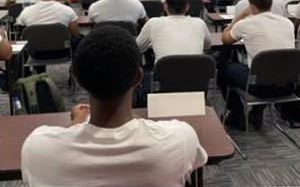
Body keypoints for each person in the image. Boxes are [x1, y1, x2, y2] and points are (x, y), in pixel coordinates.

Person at [21, 25, 207, 187]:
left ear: (79, 80)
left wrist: (77, 123)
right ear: (138, 77)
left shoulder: (37, 147)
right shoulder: (180, 138)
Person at [219, 0, 295, 130]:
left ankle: (237, 116)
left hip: (260, 87)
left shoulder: (246, 23)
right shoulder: (288, 23)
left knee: (223, 68)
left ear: (252, 6)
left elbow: (225, 39)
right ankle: (256, 111)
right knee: (269, 70)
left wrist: (240, 16)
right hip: (288, 86)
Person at [136, 0, 211, 63]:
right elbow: (207, 46)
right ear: (187, 7)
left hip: (163, 74)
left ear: (165, 7)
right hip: (196, 74)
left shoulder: (153, 23)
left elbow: (137, 48)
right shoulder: (200, 23)